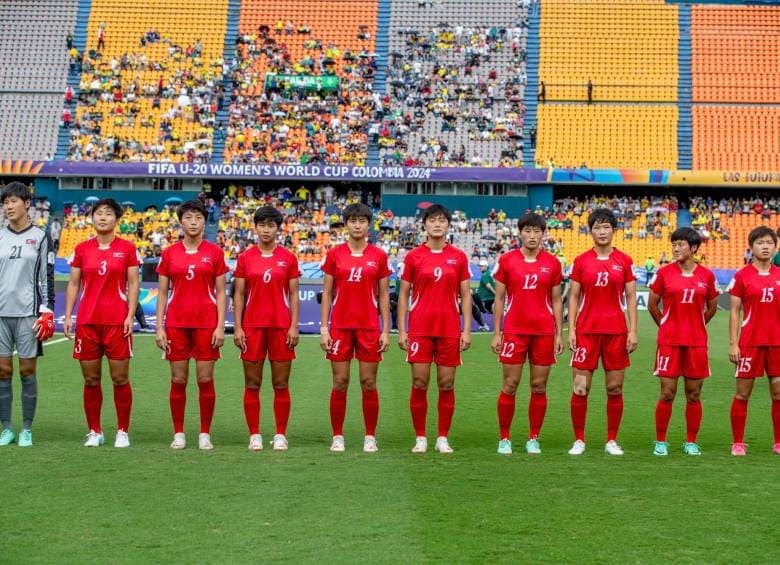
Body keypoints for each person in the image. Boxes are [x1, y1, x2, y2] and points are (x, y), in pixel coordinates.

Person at [64, 199, 140, 448]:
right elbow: (74, 283)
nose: (103, 218)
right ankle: (94, 431)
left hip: (117, 322)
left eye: (108, 214)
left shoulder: (127, 249)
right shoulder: (82, 249)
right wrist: (68, 315)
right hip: (88, 322)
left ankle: (122, 431)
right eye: (98, 214)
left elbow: (132, 283)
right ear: (92, 218)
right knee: (91, 379)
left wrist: (129, 315)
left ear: (116, 220)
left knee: (120, 378)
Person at [397, 204, 472, 454]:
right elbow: (404, 294)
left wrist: (467, 330)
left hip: (449, 328)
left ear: (448, 225)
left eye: (442, 220)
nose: (437, 224)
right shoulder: (414, 257)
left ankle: (442, 437)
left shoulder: (459, 257)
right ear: (425, 225)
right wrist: (403, 330)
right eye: (432, 220)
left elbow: (465, 294)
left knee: (447, 383)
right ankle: (420, 437)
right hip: (420, 328)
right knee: (419, 382)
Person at [155, 200, 228, 450]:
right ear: (181, 222)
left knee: (205, 378)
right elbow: (163, 293)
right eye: (188, 217)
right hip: (176, 324)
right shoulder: (169, 253)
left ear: (204, 221)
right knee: (178, 378)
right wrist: (159, 327)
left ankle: (204, 433)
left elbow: (221, 292)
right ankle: (178, 433)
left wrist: (220, 326)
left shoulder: (215, 253)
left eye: (198, 217)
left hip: (207, 324)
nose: (193, 222)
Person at [320, 203, 391, 453]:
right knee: (340, 381)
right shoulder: (334, 255)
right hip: (339, 327)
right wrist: (324, 328)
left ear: (368, 224)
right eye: (353, 221)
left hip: (369, 328)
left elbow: (383, 296)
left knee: (368, 382)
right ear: (346, 225)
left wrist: (385, 329)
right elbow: (327, 293)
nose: (357, 225)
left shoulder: (379, 256)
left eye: (362, 221)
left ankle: (370, 436)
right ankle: (337, 436)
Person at [491, 213, 563, 455]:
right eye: (528, 231)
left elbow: (556, 300)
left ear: (543, 234)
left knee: (539, 386)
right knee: (510, 385)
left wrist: (558, 334)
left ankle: (534, 438)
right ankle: (504, 438)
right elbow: (499, 299)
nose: (532, 236)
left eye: (537, 231)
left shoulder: (552, 263)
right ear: (520, 233)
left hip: (543, 332)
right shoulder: (507, 260)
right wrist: (497, 333)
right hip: (514, 331)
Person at [567, 208, 638, 456]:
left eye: (606, 227)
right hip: (586, 331)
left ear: (614, 231)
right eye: (597, 227)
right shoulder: (581, 261)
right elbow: (574, 296)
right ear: (591, 232)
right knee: (580, 387)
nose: (602, 231)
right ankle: (579, 440)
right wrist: (572, 329)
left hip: (616, 332)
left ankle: (611, 440)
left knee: (615, 388)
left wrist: (633, 331)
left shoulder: (625, 261)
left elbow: (630, 297)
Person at [233, 206, 300, 451]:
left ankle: (280, 434)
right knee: (252, 383)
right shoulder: (245, 258)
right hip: (252, 327)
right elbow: (238, 294)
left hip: (281, 327)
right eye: (262, 225)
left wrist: (294, 326)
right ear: (256, 227)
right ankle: (255, 434)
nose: (266, 230)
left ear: (278, 228)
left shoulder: (289, 258)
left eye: (271, 225)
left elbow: (293, 295)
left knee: (281, 384)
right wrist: (238, 327)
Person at [647, 228, 719, 456]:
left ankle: (690, 441)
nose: (676, 249)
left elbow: (712, 307)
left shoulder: (706, 276)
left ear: (694, 248)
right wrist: (666, 326)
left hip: (696, 342)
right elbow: (652, 305)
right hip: (669, 342)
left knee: (693, 394)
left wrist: (696, 326)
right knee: (667, 393)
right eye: (674, 244)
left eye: (681, 245)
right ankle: (660, 441)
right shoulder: (664, 273)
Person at [0, 183, 55, 447]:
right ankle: (7, 427)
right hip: (0, 314)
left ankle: (27, 429)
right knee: (2, 371)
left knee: (26, 370)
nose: (8, 207)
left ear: (26, 204)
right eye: (5, 203)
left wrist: (49, 308)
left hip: (28, 314)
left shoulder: (41, 237)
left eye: (13, 201)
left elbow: (48, 276)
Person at [727, 226, 780, 456]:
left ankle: (778, 442)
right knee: (742, 393)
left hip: (777, 343)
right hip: (750, 342)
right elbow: (734, 312)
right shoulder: (742, 276)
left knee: (779, 394)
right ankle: (738, 442)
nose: (765, 246)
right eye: (760, 243)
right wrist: (733, 343)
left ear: (775, 246)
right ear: (751, 247)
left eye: (769, 242)